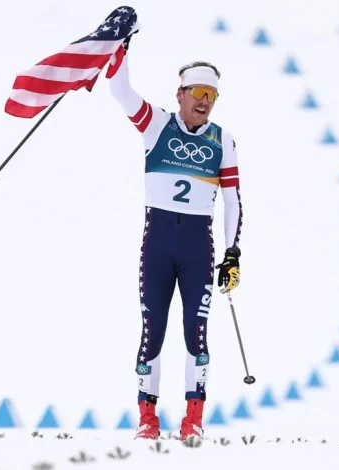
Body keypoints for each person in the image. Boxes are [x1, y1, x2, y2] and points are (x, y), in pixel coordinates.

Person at [108, 33, 243, 441]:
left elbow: (233, 201)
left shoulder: (223, 141)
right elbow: (119, 89)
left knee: (195, 334)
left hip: (198, 246)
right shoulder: (157, 124)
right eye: (199, 92)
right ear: (181, 93)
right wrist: (119, 44)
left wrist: (233, 254)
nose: (205, 101)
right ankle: (147, 419)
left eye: (213, 95)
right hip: (159, 241)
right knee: (153, 330)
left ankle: (193, 418)